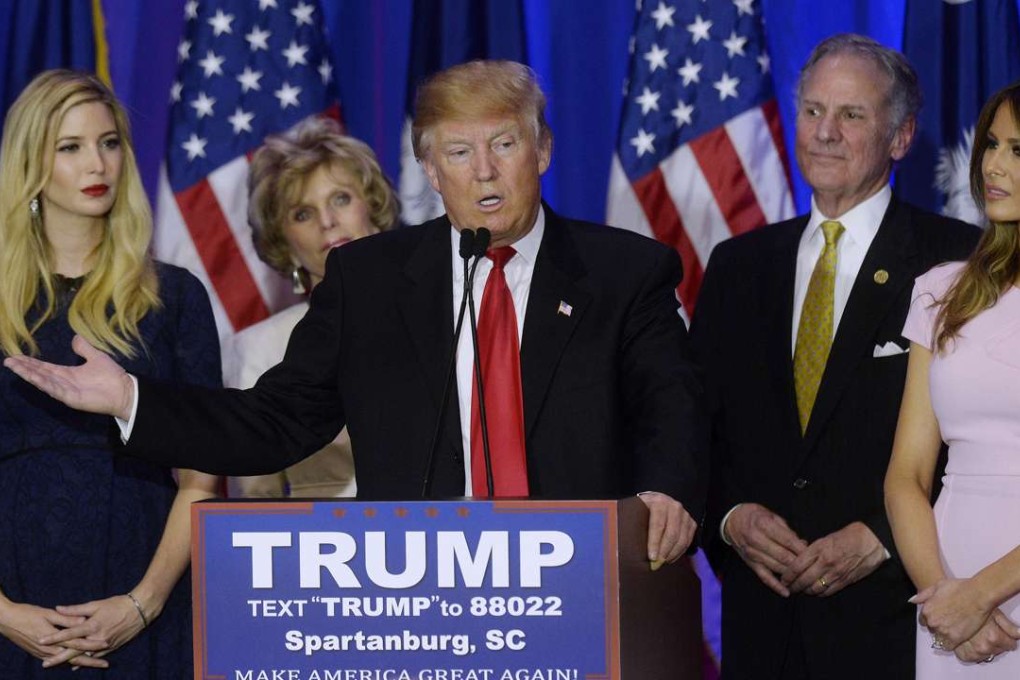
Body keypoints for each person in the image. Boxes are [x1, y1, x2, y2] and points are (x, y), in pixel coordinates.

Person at [5, 60, 706, 566]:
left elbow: (671, 404)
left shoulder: (625, 272)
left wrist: (667, 488)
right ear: (431, 172)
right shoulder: (370, 281)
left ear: (542, 150)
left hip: (578, 585)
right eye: (460, 153)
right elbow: (274, 422)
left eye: (504, 144)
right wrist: (131, 398)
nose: (484, 171)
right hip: (417, 592)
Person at [690, 35, 980, 679]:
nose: (824, 132)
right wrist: (731, 516)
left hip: (898, 622)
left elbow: (985, 440)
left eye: (852, 115)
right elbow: (695, 429)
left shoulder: (960, 265)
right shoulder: (738, 266)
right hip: (760, 627)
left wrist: (883, 537)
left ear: (901, 138)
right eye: (812, 110)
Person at [0, 70, 220, 676]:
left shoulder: (174, 298)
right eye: (70, 147)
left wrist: (142, 605)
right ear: (32, 164)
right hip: (11, 606)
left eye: (109, 142)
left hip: (144, 594)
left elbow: (204, 479)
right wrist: (4, 613)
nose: (97, 163)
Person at [885, 81, 1020, 676]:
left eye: (1019, 150)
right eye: (991, 143)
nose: (992, 164)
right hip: (947, 579)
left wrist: (982, 594)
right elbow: (907, 474)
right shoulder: (941, 289)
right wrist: (945, 597)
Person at [224, 117, 399, 498]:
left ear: (372, 207)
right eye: (302, 213)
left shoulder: (445, 316)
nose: (327, 222)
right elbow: (256, 500)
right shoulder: (258, 349)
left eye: (341, 198)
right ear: (283, 244)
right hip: (315, 545)